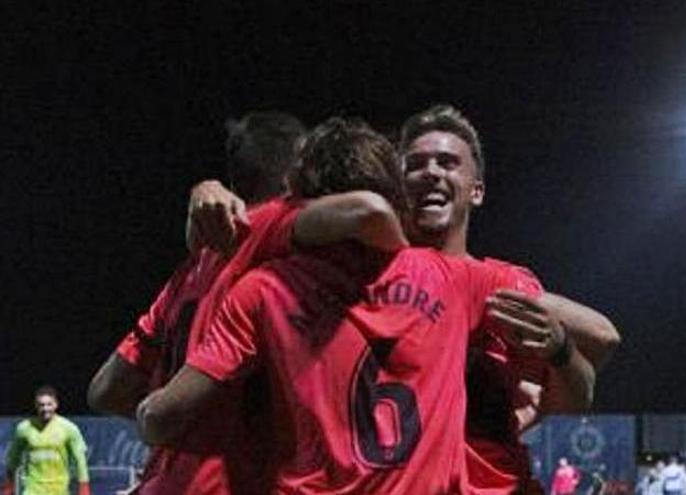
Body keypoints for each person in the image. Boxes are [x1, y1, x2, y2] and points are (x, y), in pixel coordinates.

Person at [184, 104, 621, 492]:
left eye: (448, 163)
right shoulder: (353, 268)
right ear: (395, 185)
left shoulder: (491, 283)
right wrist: (210, 191)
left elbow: (600, 338)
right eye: (416, 164)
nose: (432, 172)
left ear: (477, 189)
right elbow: (284, 212)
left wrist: (553, 369)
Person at [87, 110, 307, 494]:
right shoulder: (275, 250)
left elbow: (106, 390)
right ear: (295, 178)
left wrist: (180, 420)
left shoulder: (186, 275)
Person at [3, 386, 91, 495]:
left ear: (56, 404)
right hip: (32, 489)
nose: (45, 409)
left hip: (59, 490)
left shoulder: (69, 428)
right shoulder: (24, 428)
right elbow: (13, 458)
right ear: (36, 406)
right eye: (41, 405)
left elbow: (80, 461)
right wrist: (8, 485)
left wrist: (84, 488)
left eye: (49, 404)